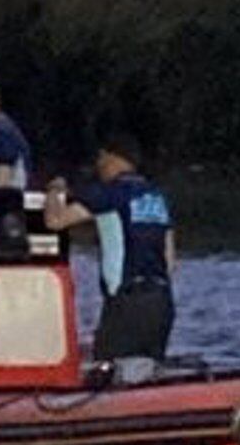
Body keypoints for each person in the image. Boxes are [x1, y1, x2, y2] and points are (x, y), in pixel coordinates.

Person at [44, 134, 176, 363]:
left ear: (109, 157)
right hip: (161, 300)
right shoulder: (155, 197)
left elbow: (55, 221)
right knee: (148, 369)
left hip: (126, 301)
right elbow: (170, 260)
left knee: (107, 369)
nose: (98, 166)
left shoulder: (109, 193)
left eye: (100, 159)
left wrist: (54, 191)